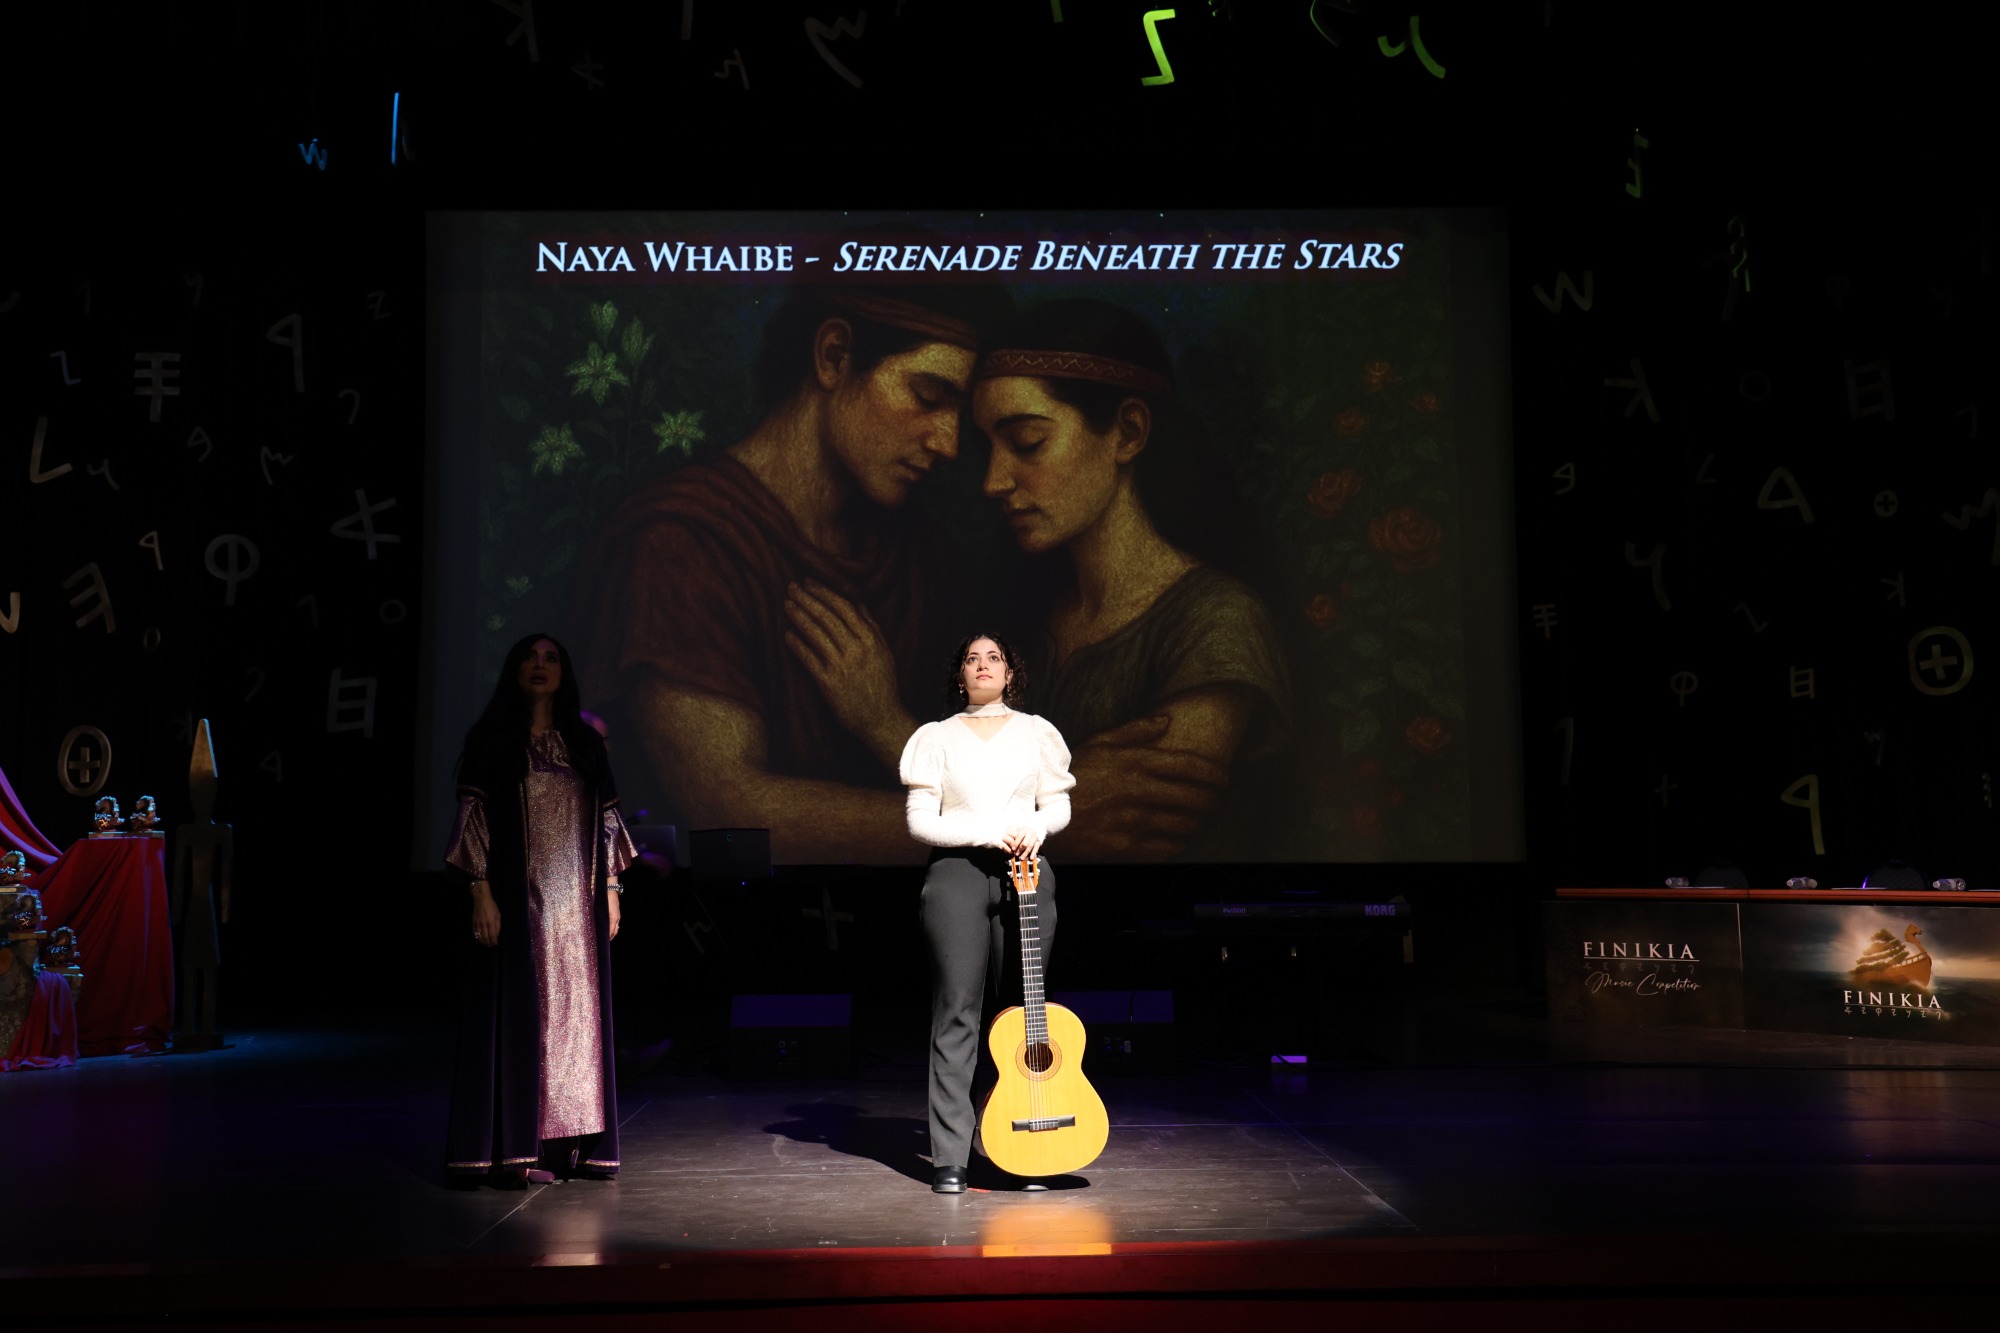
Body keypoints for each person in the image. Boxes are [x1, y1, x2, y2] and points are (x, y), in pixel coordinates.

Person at [578, 283, 1013, 865]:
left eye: (963, 419)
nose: (949, 445)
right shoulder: (679, 542)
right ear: (834, 356)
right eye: (928, 395)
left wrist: (881, 721)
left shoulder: (924, 558)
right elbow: (729, 809)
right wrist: (995, 831)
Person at [971, 298, 1291, 861]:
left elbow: (1128, 834)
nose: (993, 481)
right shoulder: (1027, 620)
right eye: (988, 449)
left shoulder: (1218, 621)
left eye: (1027, 443)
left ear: (1128, 432)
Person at [444, 633, 636, 1187]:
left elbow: (607, 820)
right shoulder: (492, 741)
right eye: (531, 657)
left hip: (576, 913)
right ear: (514, 669)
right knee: (522, 1019)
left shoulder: (584, 743)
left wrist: (612, 887)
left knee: (575, 1024)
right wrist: (480, 891)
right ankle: (516, 1148)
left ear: (563, 673)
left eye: (551, 658)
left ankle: (569, 1146)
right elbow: (473, 821)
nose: (540, 665)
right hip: (517, 907)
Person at [900, 633, 1075, 1193]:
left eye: (994, 658)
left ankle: (1022, 1143)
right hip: (957, 874)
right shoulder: (936, 738)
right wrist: (986, 832)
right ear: (960, 676)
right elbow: (921, 820)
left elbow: (1058, 804)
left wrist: (1036, 826)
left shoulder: (1037, 732)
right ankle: (951, 1155)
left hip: (1026, 871)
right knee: (958, 1010)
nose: (983, 665)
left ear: (1009, 673)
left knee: (1025, 1014)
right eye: (972, 659)